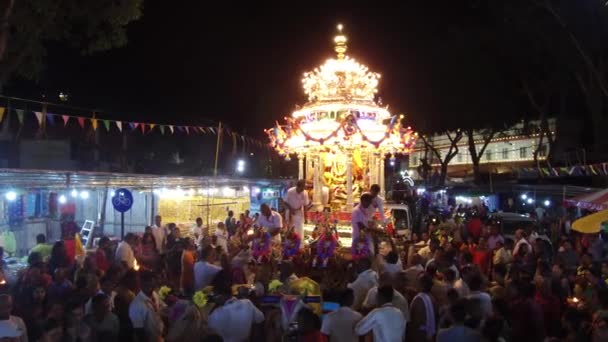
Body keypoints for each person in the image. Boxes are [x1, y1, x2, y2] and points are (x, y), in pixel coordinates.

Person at [207, 274, 264, 342]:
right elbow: (261, 318)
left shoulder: (215, 315)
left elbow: (209, 326)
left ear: (218, 295)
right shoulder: (247, 303)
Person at [129, 271, 165, 342]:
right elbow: (139, 331)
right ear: (141, 284)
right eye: (147, 282)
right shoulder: (136, 305)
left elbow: (163, 309)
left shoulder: (154, 295)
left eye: (152, 282)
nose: (150, 285)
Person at [409, 274, 437, 341]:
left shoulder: (418, 299)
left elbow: (415, 321)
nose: (415, 283)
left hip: (420, 335)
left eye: (417, 281)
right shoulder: (433, 298)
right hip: (431, 335)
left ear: (422, 284)